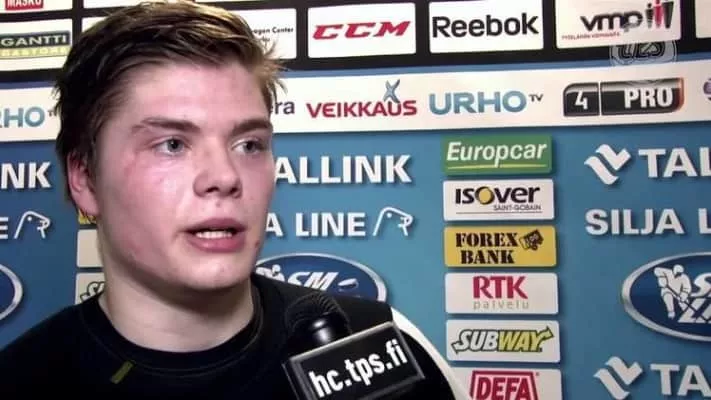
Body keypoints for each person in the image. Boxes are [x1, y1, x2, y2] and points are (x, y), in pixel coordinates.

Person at [0, 1, 467, 398]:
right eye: (172, 145)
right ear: (84, 178)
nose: (225, 177)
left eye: (249, 144)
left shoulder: (381, 349)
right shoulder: (21, 379)